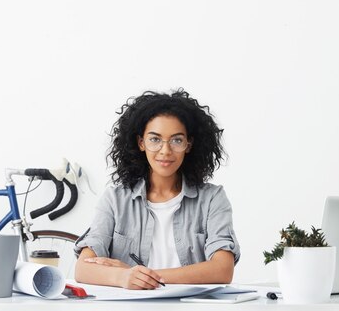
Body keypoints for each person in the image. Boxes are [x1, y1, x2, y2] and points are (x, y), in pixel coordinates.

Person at [74, 89, 240, 289]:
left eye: (176, 140)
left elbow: (222, 270)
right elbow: (83, 269)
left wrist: (136, 274)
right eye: (155, 139)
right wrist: (123, 278)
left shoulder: (213, 199)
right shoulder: (115, 200)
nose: (165, 150)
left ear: (189, 144)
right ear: (141, 143)